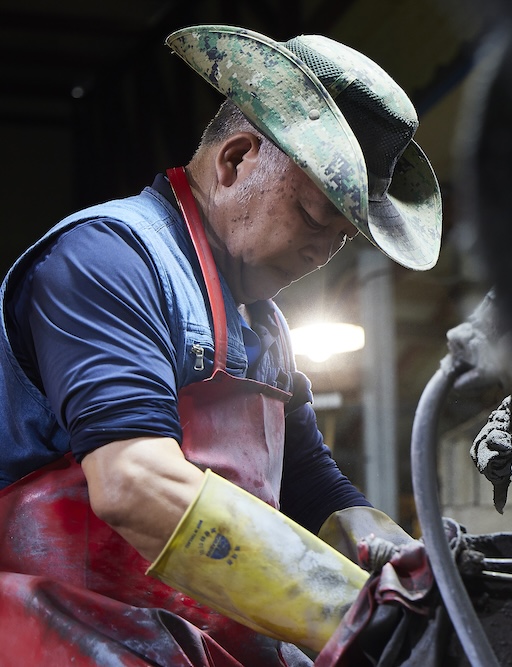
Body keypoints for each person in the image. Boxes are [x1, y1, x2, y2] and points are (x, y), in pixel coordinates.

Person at [0, 24, 442, 667]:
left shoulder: (265, 326)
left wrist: (408, 565)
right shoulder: (111, 259)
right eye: (314, 216)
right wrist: (362, 617)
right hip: (64, 636)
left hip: (195, 639)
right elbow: (133, 484)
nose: (321, 253)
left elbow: (311, 487)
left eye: (342, 237)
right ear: (235, 159)